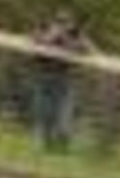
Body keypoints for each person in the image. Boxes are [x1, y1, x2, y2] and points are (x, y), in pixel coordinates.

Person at [32, 11, 93, 150]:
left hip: (63, 80)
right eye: (60, 22)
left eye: (65, 23)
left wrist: (72, 40)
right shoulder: (45, 30)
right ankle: (43, 144)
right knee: (43, 114)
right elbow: (36, 42)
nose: (63, 26)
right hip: (44, 77)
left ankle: (62, 145)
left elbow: (89, 50)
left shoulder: (74, 36)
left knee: (64, 118)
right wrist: (53, 36)